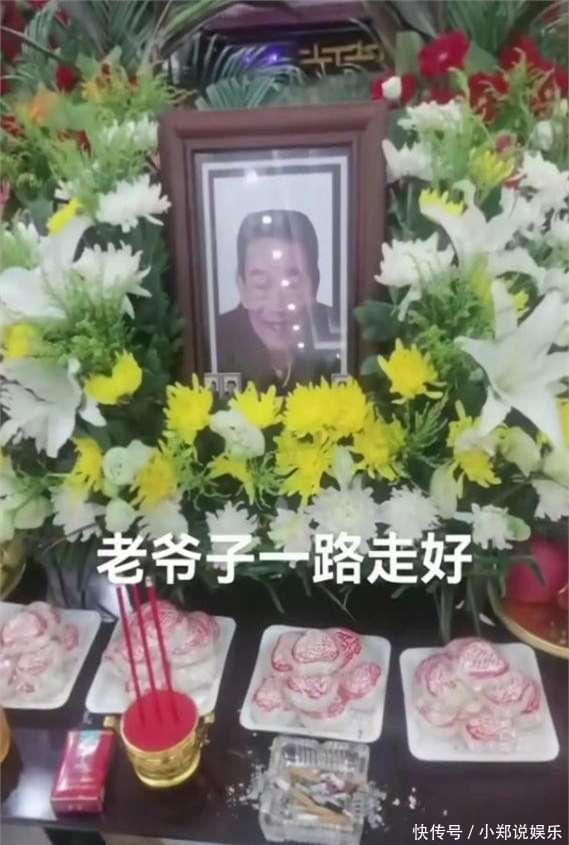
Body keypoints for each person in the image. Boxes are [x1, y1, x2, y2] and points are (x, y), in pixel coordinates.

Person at [217, 209, 342, 390]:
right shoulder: (216, 340)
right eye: (261, 284)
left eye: (292, 284)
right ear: (241, 286)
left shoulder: (340, 332)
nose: (277, 305)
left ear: (315, 283)